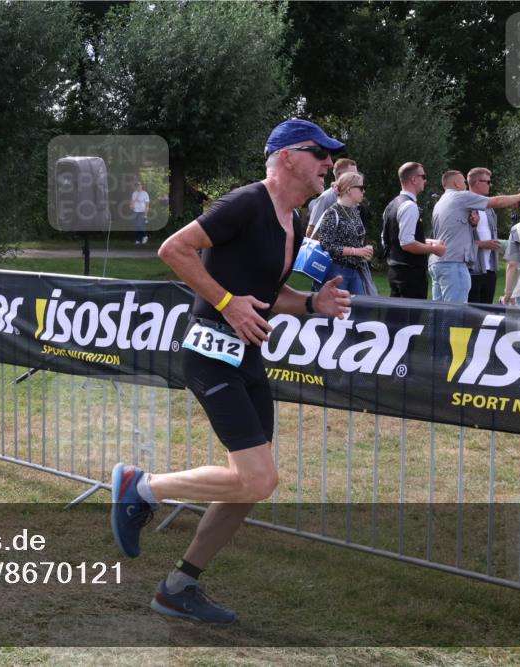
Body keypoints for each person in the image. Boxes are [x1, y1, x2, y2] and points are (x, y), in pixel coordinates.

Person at [109, 119, 351, 624]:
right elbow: (174, 249)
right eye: (320, 153)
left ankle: (179, 587)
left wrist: (312, 303)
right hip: (209, 354)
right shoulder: (246, 202)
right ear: (287, 157)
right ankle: (140, 486)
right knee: (258, 480)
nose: (329, 163)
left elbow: (268, 295)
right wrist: (226, 302)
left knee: (248, 487)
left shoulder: (293, 219)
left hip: (247, 358)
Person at [429, 171, 520, 303]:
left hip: (439, 263)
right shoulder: (460, 197)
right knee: (455, 311)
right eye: (464, 182)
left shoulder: (441, 202)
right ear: (457, 183)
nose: (466, 185)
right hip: (453, 264)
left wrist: (473, 225)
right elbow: (497, 201)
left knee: (439, 311)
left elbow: (451, 232)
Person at [381, 162, 445, 298]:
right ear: (414, 179)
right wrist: (434, 249)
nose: (425, 180)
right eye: (423, 176)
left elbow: (391, 239)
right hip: (410, 274)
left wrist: (428, 241)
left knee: (397, 311)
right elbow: (407, 243)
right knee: (411, 312)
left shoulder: (392, 205)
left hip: (395, 270)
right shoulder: (409, 206)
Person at [314, 171, 376, 295]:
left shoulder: (354, 212)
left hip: (355, 269)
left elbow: (354, 240)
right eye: (361, 188)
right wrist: (355, 251)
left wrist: (364, 251)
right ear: (348, 190)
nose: (363, 191)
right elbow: (326, 245)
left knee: (360, 305)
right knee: (337, 306)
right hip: (336, 270)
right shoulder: (332, 212)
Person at [465, 168, 501, 304]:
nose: (490, 185)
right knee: (471, 312)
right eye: (488, 182)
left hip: (490, 269)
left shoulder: (489, 208)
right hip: (472, 269)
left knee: (486, 311)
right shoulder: (464, 206)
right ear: (476, 182)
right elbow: (458, 240)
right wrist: (482, 244)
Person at [305, 158, 358, 238]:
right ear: (340, 175)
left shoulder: (352, 199)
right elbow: (311, 232)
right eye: (352, 174)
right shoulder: (326, 198)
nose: (356, 178)